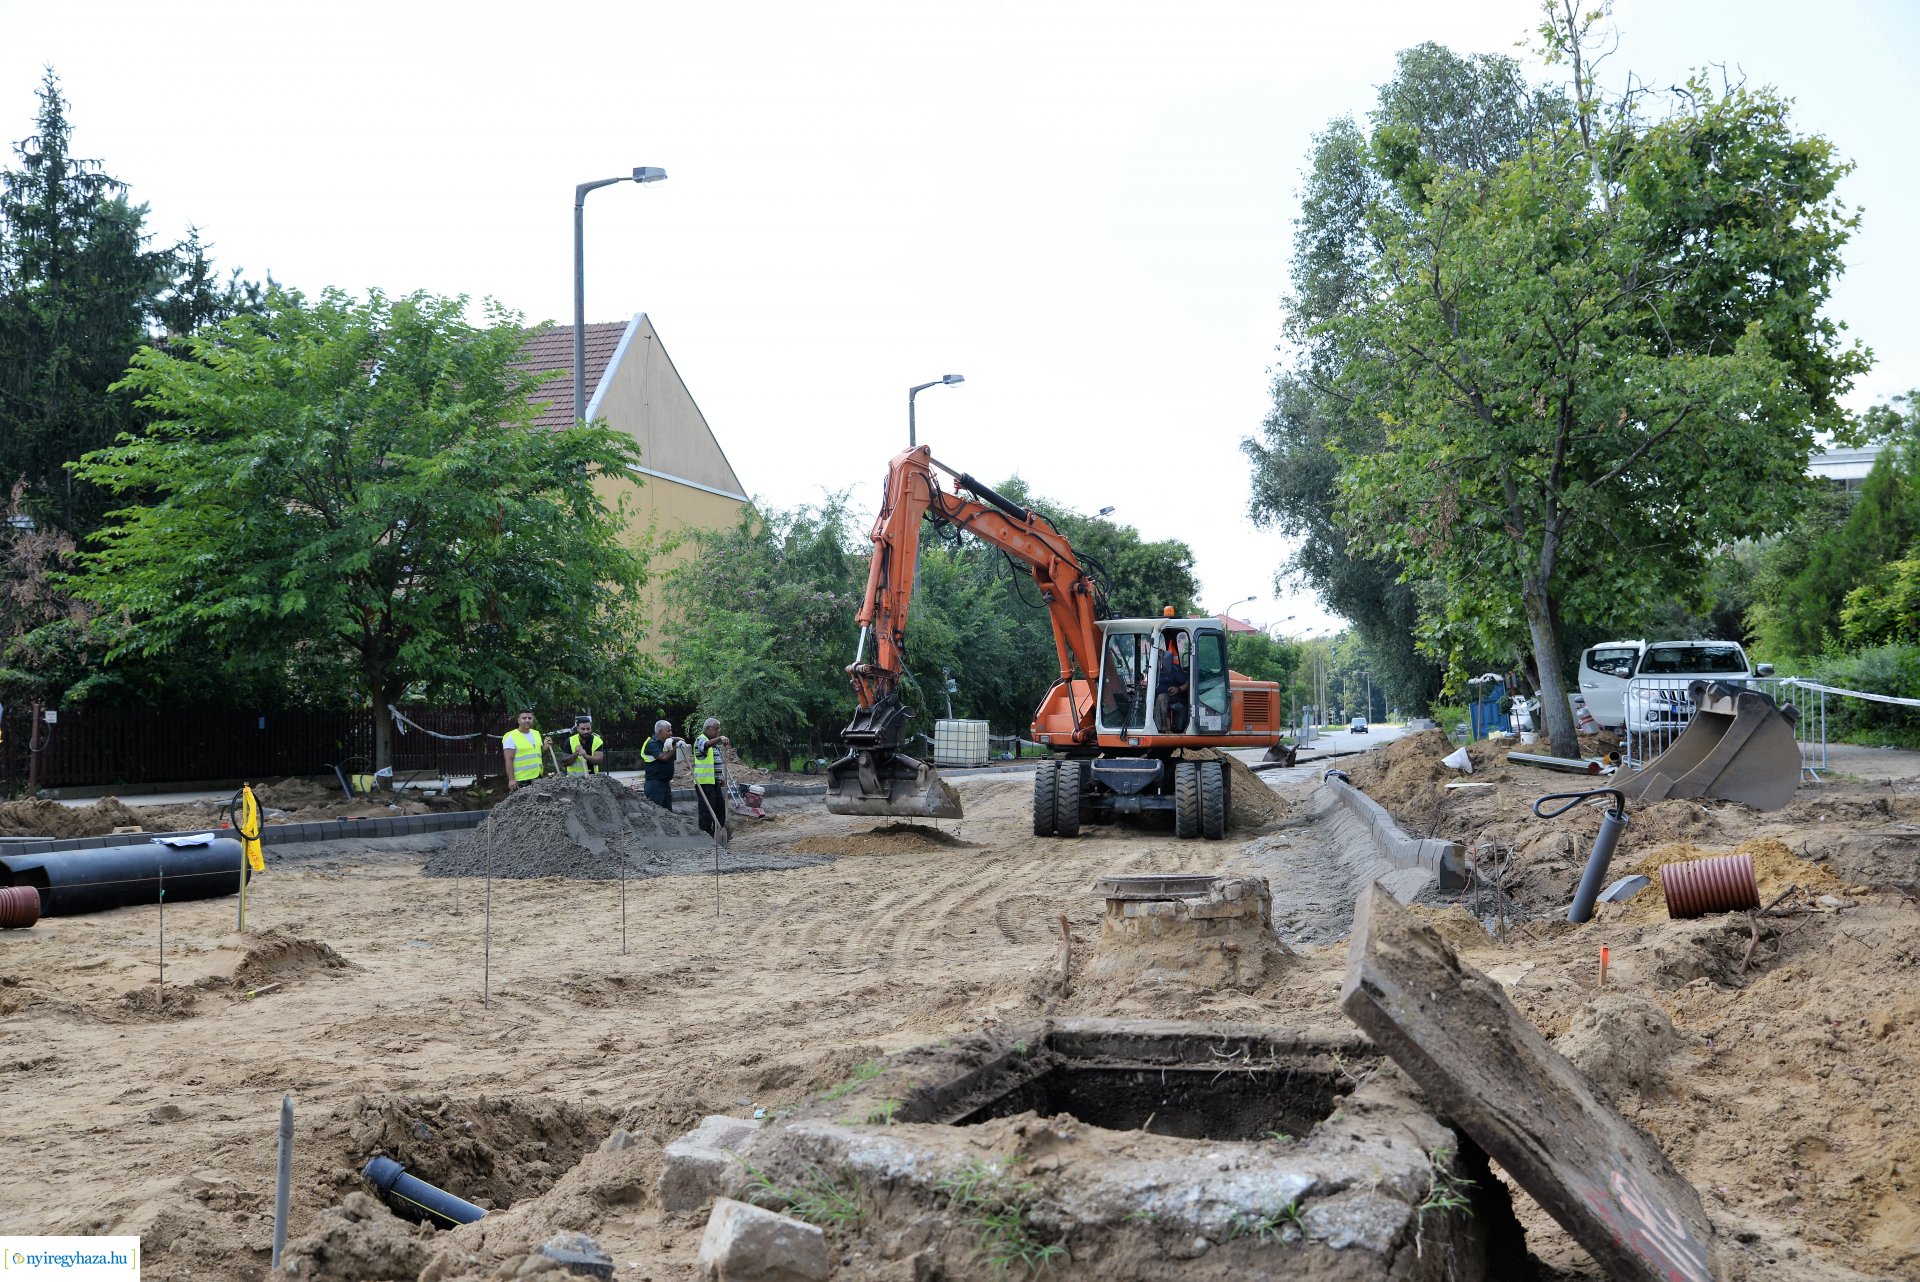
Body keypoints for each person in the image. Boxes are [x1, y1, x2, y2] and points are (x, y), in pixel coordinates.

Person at [691, 717, 730, 836]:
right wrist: (719, 738)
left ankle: (719, 831)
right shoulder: (701, 740)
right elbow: (705, 746)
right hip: (704, 782)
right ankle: (706, 834)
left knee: (719, 807)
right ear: (708, 728)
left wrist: (721, 777)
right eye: (716, 729)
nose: (718, 731)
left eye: (719, 729)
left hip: (714, 782)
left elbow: (716, 762)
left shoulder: (714, 744)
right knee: (707, 810)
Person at [638, 719, 681, 810]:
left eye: (671, 730)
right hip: (654, 784)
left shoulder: (665, 743)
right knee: (655, 811)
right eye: (668, 730)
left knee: (668, 813)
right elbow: (663, 758)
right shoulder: (651, 743)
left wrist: (674, 742)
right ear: (660, 731)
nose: (671, 733)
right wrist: (674, 746)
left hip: (665, 783)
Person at [500, 710, 545, 792]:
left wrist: (546, 746)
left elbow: (538, 754)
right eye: (524, 718)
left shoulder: (536, 734)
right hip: (522, 780)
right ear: (518, 720)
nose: (527, 720)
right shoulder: (511, 736)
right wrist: (511, 780)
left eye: (529, 718)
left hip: (538, 777)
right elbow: (508, 760)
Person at [1155, 635, 1190, 732]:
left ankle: (1160, 729)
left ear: (1164, 654)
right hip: (1154, 695)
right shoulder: (1152, 669)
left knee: (1161, 697)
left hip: (1171, 696)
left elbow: (1187, 682)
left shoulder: (1173, 668)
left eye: (1159, 654)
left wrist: (1178, 689)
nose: (1157, 657)